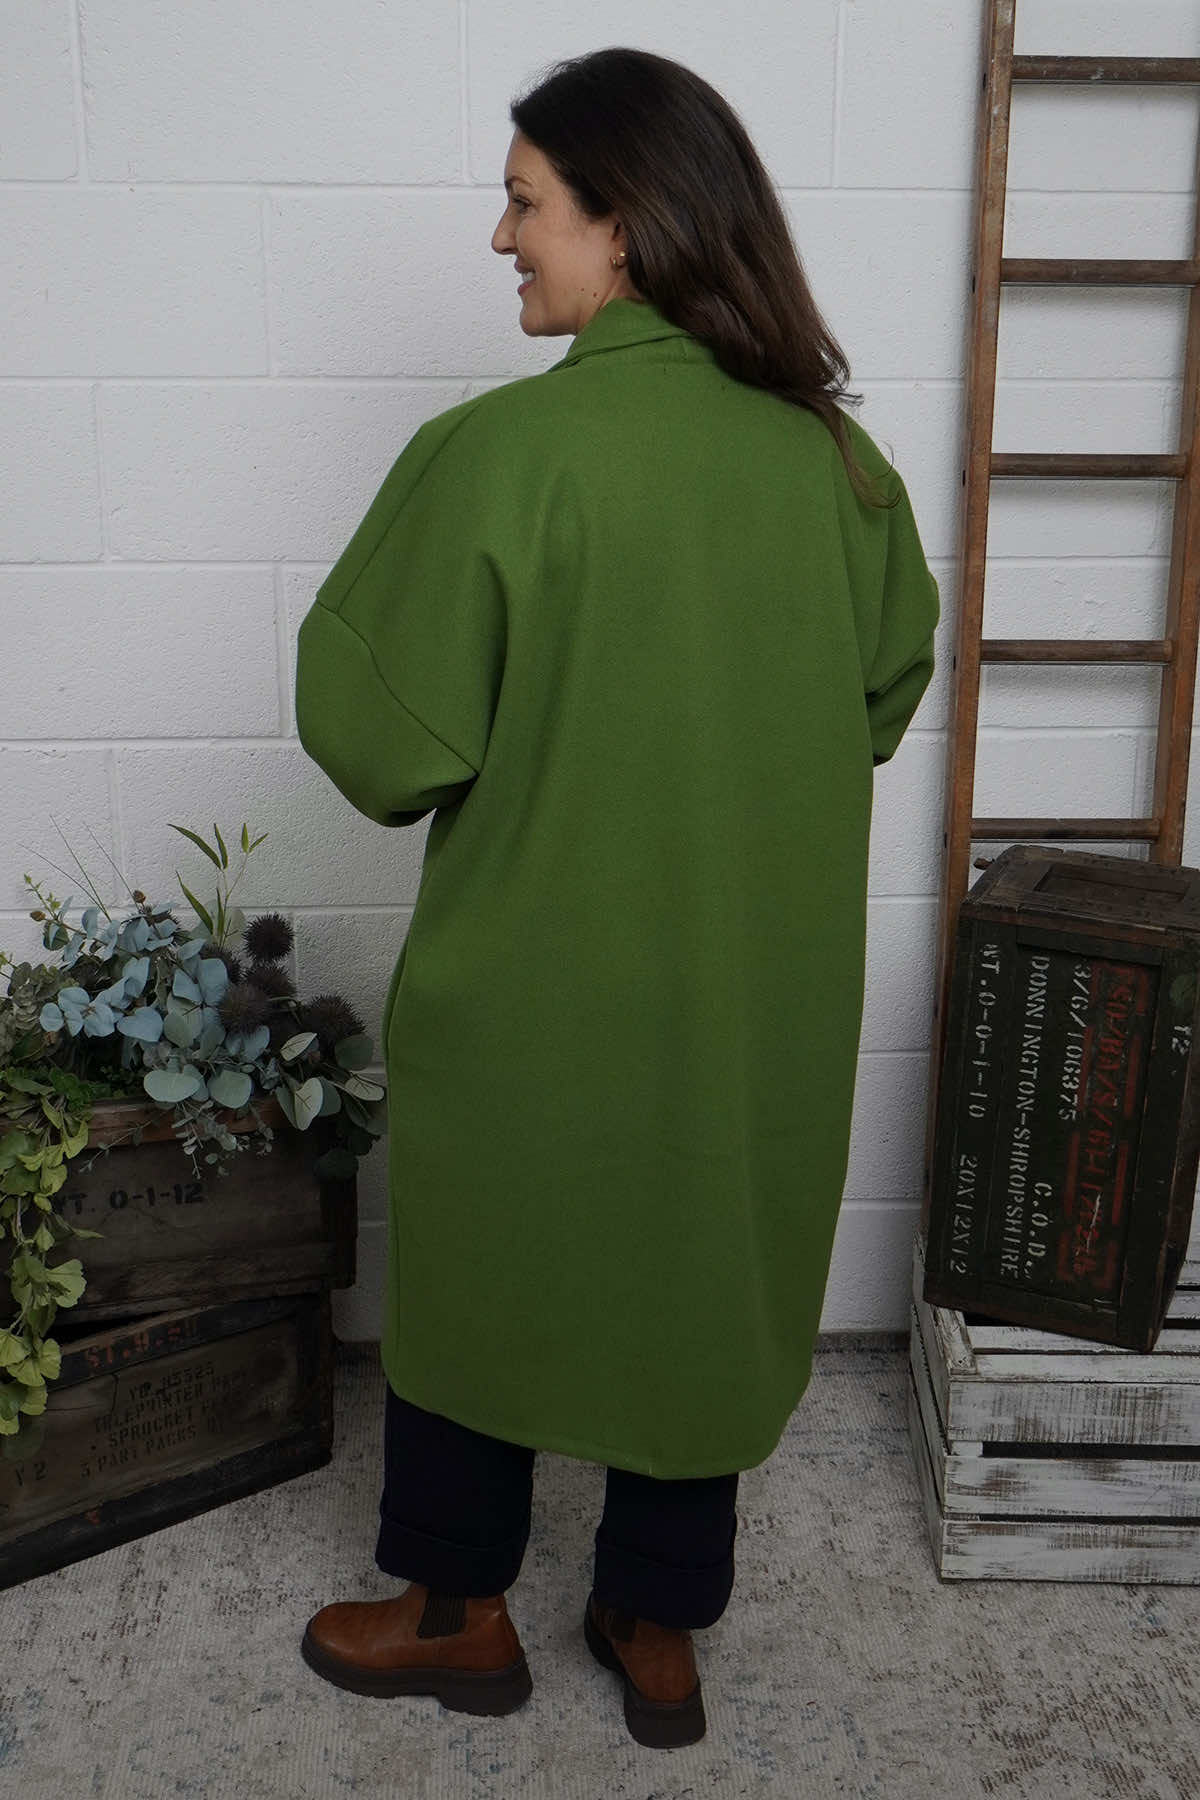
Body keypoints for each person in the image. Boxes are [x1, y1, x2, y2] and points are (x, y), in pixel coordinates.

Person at [293, 46, 938, 1751]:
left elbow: (379, 742)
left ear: (627, 225)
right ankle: (657, 1628)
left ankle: (455, 1612)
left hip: (532, 991)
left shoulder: (499, 457)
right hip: (748, 993)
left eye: (525, 200)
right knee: (703, 1260)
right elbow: (883, 695)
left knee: (485, 1265)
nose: (501, 236)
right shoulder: (841, 470)